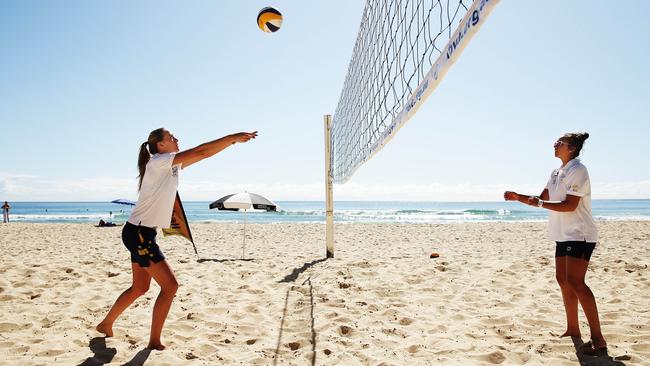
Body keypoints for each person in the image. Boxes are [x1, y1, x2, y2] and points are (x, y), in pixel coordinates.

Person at [96, 128, 257, 350]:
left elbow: (203, 155)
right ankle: (154, 341)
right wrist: (231, 138)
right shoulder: (159, 161)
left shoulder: (168, 164)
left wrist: (231, 144)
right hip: (140, 234)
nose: (177, 139)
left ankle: (105, 324)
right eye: (172, 138)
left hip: (141, 232)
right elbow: (201, 152)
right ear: (161, 145)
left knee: (139, 288)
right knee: (170, 286)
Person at [504, 132, 606, 354]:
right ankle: (572, 329)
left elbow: (569, 205)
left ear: (571, 148)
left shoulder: (578, 170)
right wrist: (517, 196)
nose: (555, 144)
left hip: (580, 233)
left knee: (576, 282)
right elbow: (542, 198)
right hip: (563, 233)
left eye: (559, 142)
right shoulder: (556, 172)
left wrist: (540, 203)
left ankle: (598, 339)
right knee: (563, 280)